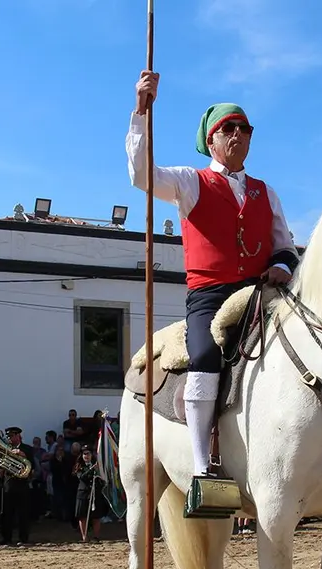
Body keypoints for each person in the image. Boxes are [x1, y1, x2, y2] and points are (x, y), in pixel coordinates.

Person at [127, 70, 301, 490]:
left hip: (262, 291)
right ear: (211, 139)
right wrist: (141, 113)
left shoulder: (266, 191)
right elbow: (141, 175)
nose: (238, 134)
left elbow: (285, 245)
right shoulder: (191, 182)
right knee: (205, 354)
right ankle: (204, 464)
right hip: (210, 293)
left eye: (244, 128)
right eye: (229, 128)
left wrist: (283, 266)